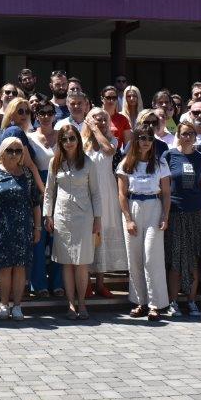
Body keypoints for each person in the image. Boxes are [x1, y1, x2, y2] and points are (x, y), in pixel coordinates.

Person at [44, 124, 101, 320]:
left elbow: (96, 193)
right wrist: (48, 215)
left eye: (72, 138)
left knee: (82, 262)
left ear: (78, 139)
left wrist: (98, 219)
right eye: (64, 139)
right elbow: (49, 192)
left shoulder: (88, 163)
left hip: (84, 217)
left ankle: (82, 303)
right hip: (62, 216)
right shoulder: (55, 162)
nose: (68, 142)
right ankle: (70, 303)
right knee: (66, 262)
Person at [0, 137, 42, 321]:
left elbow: (35, 203)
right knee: (4, 268)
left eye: (18, 151)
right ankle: (3, 305)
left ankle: (17, 306)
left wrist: (37, 228)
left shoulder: (27, 174)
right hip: (2, 228)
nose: (14, 154)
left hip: (23, 228)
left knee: (20, 268)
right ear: (2, 152)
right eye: (10, 150)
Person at [117, 130, 169, 320]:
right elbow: (122, 194)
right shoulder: (126, 164)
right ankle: (140, 301)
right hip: (134, 207)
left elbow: (166, 193)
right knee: (135, 257)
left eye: (150, 138)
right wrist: (128, 219)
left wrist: (165, 216)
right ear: (136, 140)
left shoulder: (160, 164)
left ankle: (155, 304)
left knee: (151, 256)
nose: (146, 142)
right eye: (142, 138)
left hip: (154, 206)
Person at [164, 119, 201, 317]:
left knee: (194, 259)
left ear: (195, 136)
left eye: (191, 134)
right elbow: (164, 187)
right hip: (176, 212)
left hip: (197, 212)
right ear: (178, 135)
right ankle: (173, 302)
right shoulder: (169, 156)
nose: (187, 137)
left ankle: (191, 301)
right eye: (184, 133)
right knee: (176, 259)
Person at [81, 109, 125, 299]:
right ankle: (86, 283)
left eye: (103, 119)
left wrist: (96, 130)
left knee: (103, 238)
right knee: (89, 237)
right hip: (87, 192)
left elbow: (109, 151)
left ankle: (100, 283)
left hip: (107, 193)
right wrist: (90, 130)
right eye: (96, 119)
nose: (100, 122)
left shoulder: (112, 140)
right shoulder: (82, 141)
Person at [27, 101, 61, 297]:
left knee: (58, 237)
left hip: (62, 188)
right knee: (38, 239)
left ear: (54, 115)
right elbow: (30, 166)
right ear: (36, 115)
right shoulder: (30, 138)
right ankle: (38, 284)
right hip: (38, 188)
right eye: (42, 113)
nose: (46, 116)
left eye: (50, 112)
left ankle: (58, 283)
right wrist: (43, 189)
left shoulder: (63, 135)